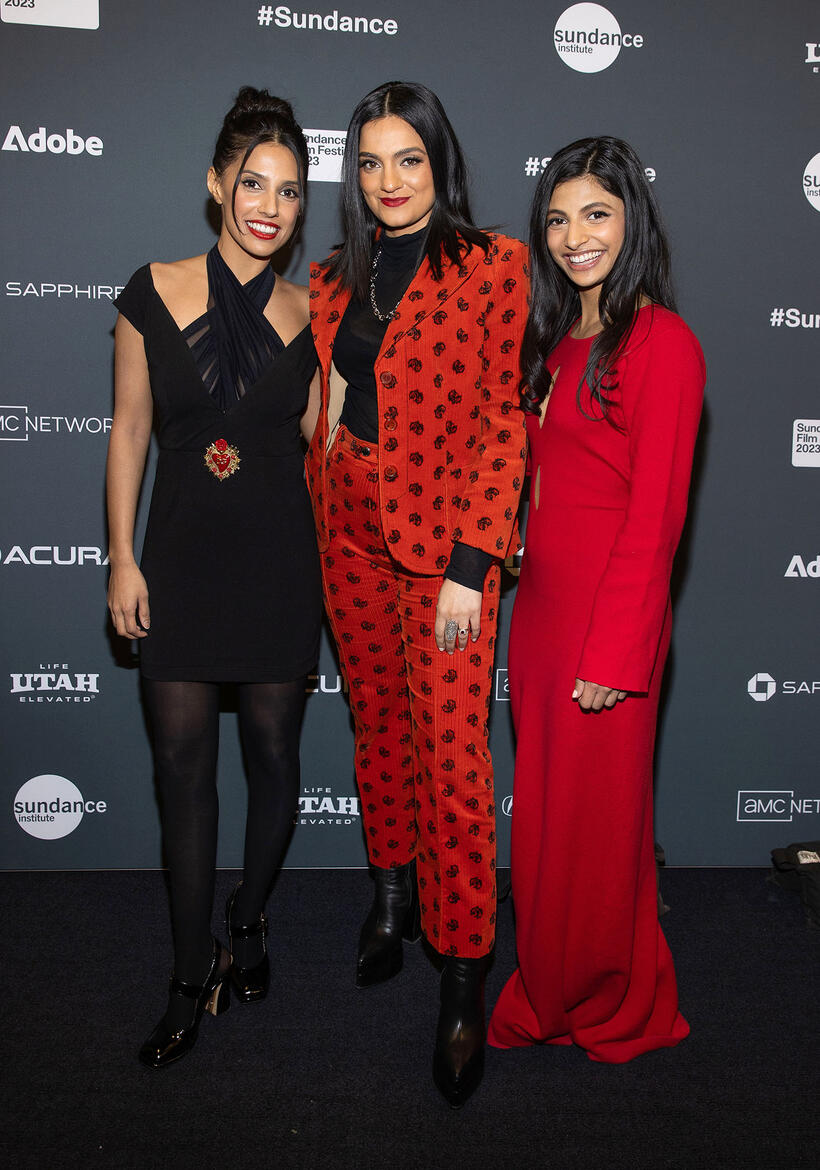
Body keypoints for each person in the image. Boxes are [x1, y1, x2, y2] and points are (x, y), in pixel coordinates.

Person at [307, 81, 528, 1105]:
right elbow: (324, 399)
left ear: (439, 161)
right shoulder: (330, 277)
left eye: (408, 158)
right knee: (378, 729)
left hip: (441, 559)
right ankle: (392, 893)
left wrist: (472, 563)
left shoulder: (491, 267)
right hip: (344, 539)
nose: (388, 181)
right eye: (369, 162)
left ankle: (464, 964)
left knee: (452, 754)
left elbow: (501, 420)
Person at [106, 87, 321, 1069]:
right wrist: (121, 555)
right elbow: (131, 434)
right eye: (252, 183)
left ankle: (251, 916)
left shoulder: (312, 309)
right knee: (182, 783)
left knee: (275, 766)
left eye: (287, 189)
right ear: (215, 184)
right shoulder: (151, 289)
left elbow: (325, 445)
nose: (269, 204)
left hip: (281, 566)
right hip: (182, 568)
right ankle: (191, 977)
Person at [488, 137, 704, 1062]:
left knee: (600, 828)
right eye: (559, 218)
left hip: (606, 631)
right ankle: (548, 981)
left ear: (632, 222)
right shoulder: (558, 342)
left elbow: (656, 522)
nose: (575, 237)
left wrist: (615, 659)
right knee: (544, 826)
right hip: (539, 620)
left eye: (597, 214)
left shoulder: (665, 344)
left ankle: (612, 995)